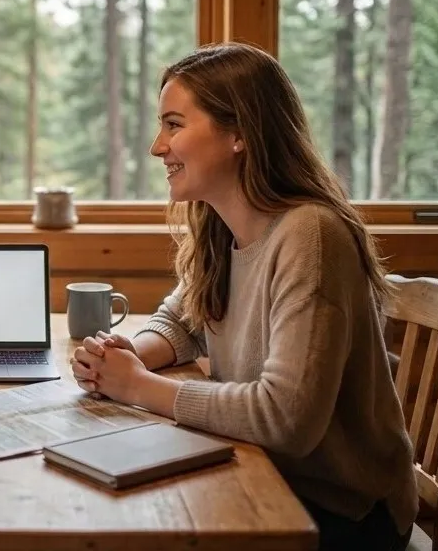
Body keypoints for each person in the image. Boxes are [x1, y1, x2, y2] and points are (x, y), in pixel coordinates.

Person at [72, 43, 417, 551]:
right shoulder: (223, 225)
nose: (157, 147)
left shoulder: (310, 237)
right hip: (268, 476)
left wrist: (138, 387)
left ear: (238, 134)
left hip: (342, 510)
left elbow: (285, 419)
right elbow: (183, 320)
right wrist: (125, 357)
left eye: (173, 125)